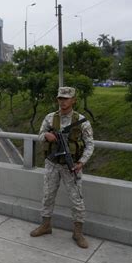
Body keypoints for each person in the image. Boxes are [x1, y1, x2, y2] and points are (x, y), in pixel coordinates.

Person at [30, 86, 94, 249]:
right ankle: (46, 225)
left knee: (77, 200)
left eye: (66, 98)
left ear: (73, 100)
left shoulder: (82, 121)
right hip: (52, 165)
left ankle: (78, 232)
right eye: (60, 98)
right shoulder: (50, 118)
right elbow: (39, 136)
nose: (63, 101)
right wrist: (46, 136)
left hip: (71, 167)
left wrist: (81, 163)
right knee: (48, 195)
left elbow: (90, 144)